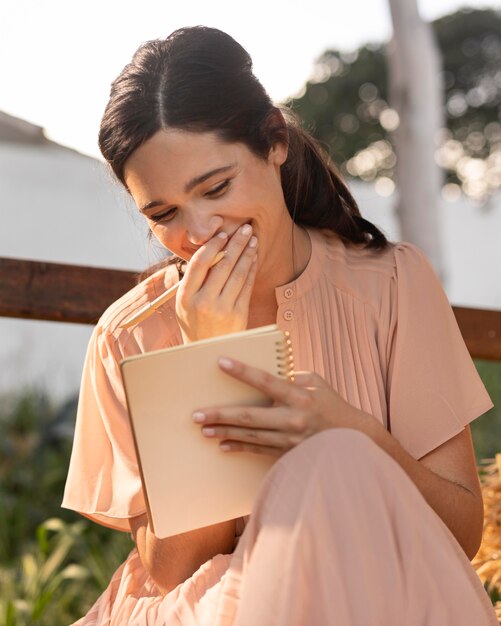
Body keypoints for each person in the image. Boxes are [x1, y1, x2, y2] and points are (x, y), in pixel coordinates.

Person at [62, 25, 498, 625]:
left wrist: (355, 436)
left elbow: (459, 535)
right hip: (213, 611)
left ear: (274, 141)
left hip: (381, 595)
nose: (199, 231)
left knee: (336, 463)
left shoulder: (394, 284)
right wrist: (203, 368)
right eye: (163, 214)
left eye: (216, 187)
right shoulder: (127, 336)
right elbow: (171, 572)